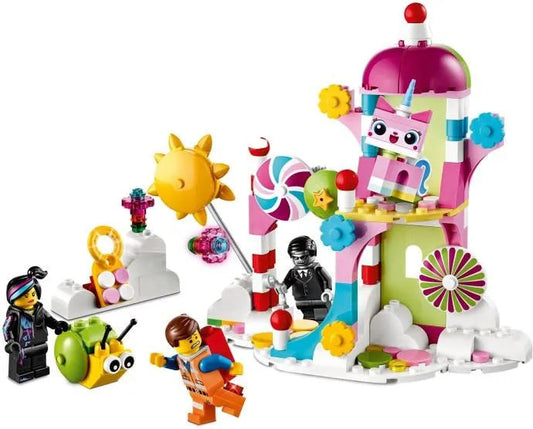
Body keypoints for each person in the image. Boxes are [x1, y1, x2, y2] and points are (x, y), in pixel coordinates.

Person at [150, 314, 245, 425]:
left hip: (213, 389)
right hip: (196, 391)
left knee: (219, 399)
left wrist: (232, 366)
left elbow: (218, 359)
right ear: (174, 345)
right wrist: (163, 362)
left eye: (195, 336)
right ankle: (203, 415)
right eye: (189, 341)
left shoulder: (203, 359)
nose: (194, 341)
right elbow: (174, 364)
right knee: (199, 403)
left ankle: (236, 403)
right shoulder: (181, 358)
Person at [3, 266, 69, 383]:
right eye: (25, 296)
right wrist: (10, 341)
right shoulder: (14, 314)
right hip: (22, 344)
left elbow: (49, 319)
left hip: (40, 340)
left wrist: (57, 325)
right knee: (23, 359)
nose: (31, 298)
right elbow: (6, 328)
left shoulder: (39, 309)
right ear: (14, 298)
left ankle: (40, 369)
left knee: (40, 356)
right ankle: (22, 374)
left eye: (33, 294)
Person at [277, 236, 333, 322]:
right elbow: (287, 282)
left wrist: (327, 291)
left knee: (322, 318)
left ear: (312, 254)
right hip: (302, 302)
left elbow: (327, 279)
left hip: (319, 300)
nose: (299, 260)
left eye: (303, 257)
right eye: (295, 258)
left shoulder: (317, 269)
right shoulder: (293, 272)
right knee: (308, 319)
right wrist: (282, 287)